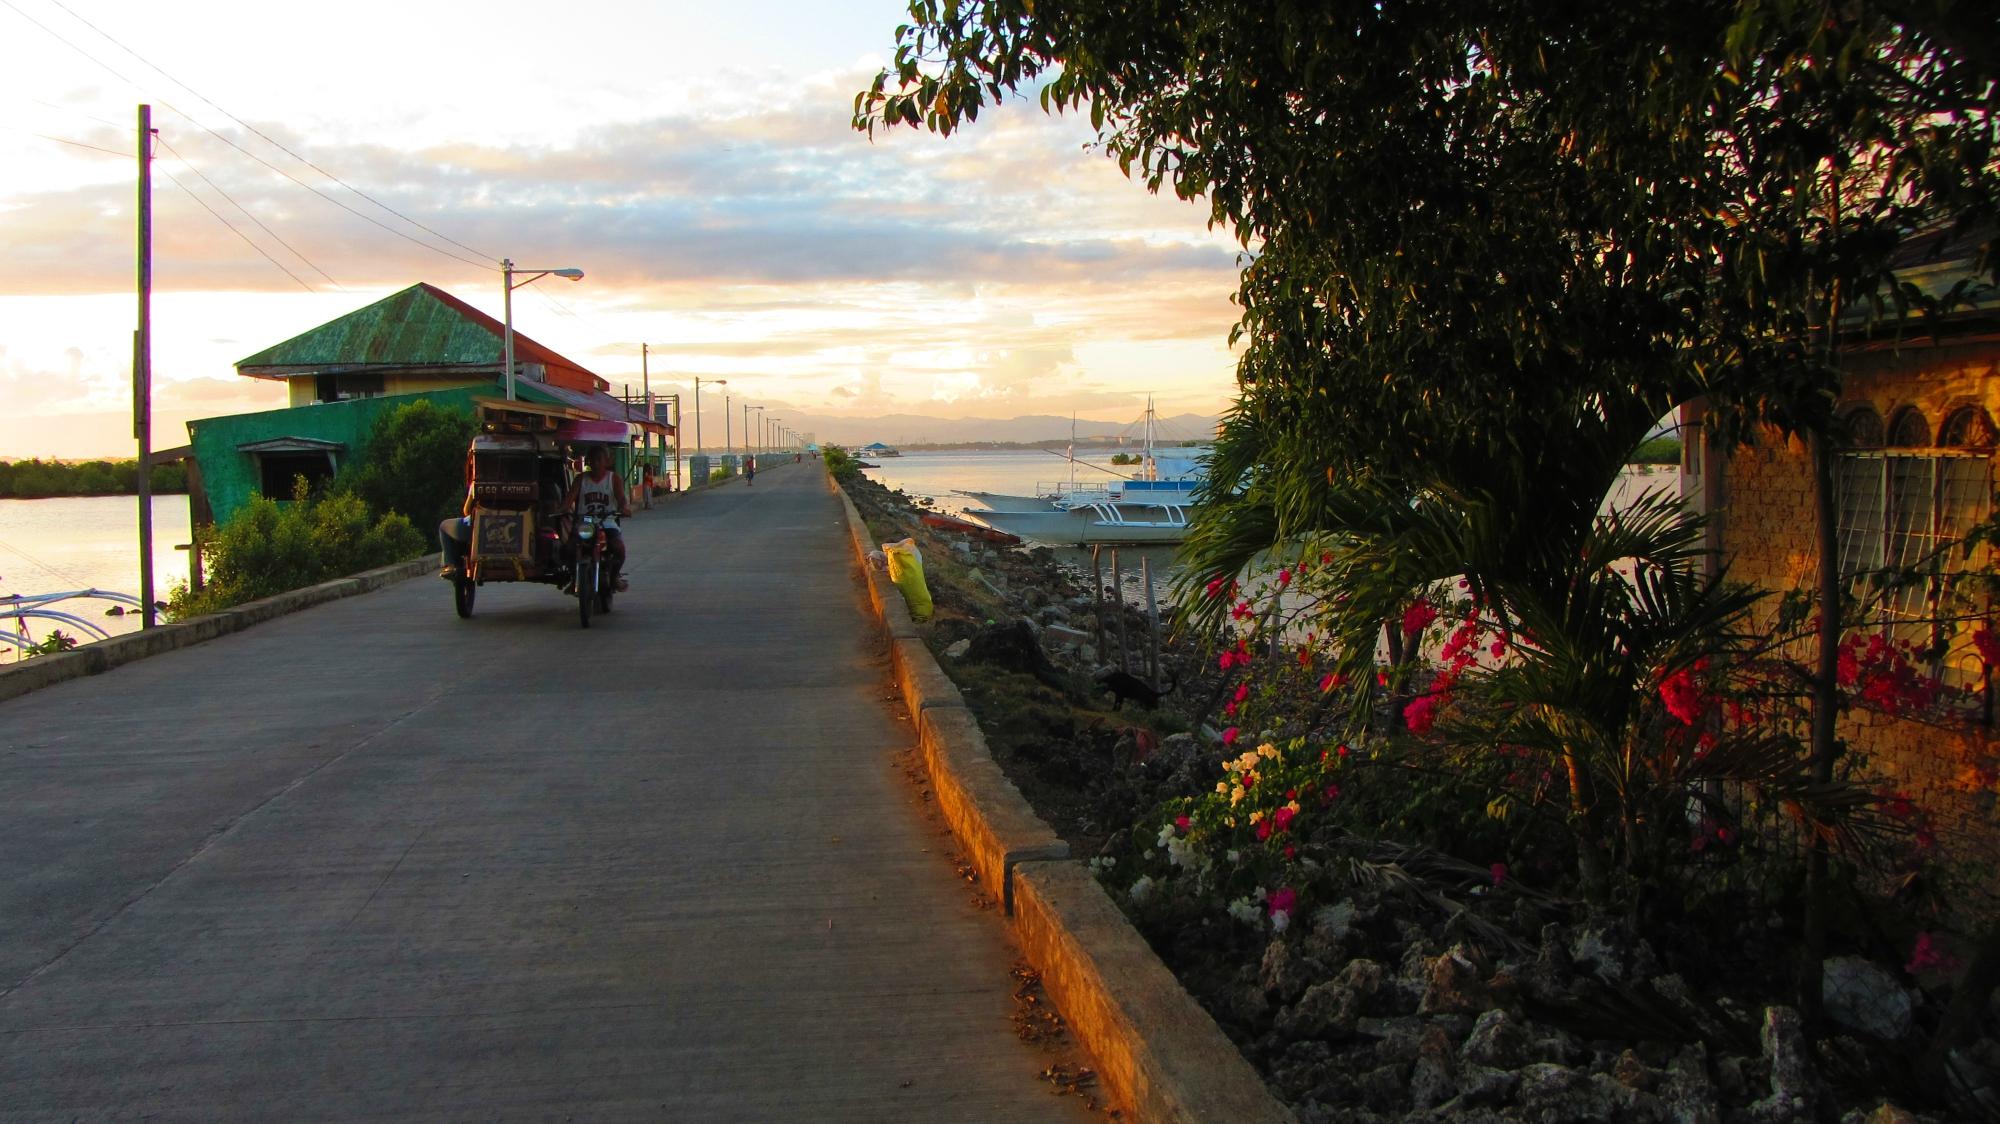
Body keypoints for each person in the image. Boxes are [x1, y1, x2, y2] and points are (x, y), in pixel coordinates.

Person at [564, 446, 630, 591]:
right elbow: (569, 499)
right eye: (592, 460)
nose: (595, 463)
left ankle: (614, 577)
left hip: (607, 522)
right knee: (569, 549)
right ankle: (575, 578)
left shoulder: (614, 478)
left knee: (619, 549)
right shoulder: (580, 479)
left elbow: (621, 498)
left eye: (599, 460)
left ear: (606, 461)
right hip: (585, 523)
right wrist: (561, 510)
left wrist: (624, 508)